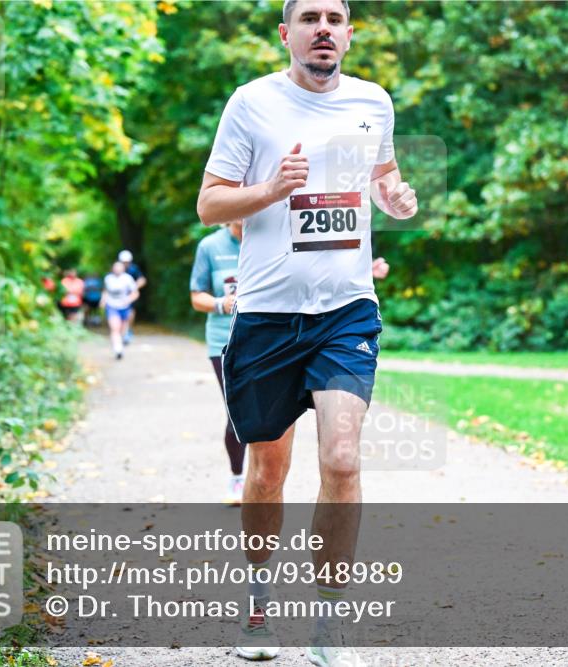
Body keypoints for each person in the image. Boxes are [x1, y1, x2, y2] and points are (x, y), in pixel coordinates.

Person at [196, 1, 417, 664]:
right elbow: (210, 201)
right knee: (267, 468)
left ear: (349, 34)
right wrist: (270, 189)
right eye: (310, 18)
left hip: (346, 310)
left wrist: (396, 197)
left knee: (342, 459)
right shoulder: (251, 103)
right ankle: (258, 600)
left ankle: (327, 624)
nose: (324, 28)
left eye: (335, 18)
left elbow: (381, 178)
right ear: (286, 34)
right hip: (267, 314)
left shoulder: (373, 102)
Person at [189, 220, 246, 506]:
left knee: (269, 411)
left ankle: (263, 479)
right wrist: (220, 304)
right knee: (237, 411)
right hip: (224, 341)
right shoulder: (210, 246)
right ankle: (237, 477)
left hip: (268, 339)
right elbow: (196, 296)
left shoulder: (272, 238)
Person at [101, 260, 139, 360]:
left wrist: (129, 299)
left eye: (119, 267)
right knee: (115, 328)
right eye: (115, 267)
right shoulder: (108, 278)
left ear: (123, 269)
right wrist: (103, 300)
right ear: (112, 268)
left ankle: (120, 343)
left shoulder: (128, 278)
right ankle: (118, 349)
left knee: (123, 329)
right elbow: (105, 291)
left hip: (124, 307)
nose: (117, 269)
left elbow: (135, 293)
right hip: (112, 306)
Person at [118, 249, 147, 344]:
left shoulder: (134, 269)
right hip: (118, 296)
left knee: (130, 312)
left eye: (127, 262)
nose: (125, 264)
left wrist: (134, 286)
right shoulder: (117, 269)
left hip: (130, 295)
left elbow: (142, 280)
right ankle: (120, 331)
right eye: (124, 262)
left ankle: (127, 330)